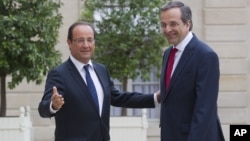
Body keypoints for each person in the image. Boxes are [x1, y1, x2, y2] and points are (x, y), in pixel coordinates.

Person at [38, 21, 160, 141]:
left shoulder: (101, 70)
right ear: (69, 43)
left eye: (90, 40)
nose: (86, 45)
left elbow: (118, 97)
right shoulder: (59, 74)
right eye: (80, 40)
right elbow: (43, 109)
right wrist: (53, 105)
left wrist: (155, 98)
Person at [159, 1, 225, 141]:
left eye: (173, 24)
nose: (167, 29)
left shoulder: (206, 56)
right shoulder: (168, 54)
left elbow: (205, 110)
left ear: (187, 24)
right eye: (163, 25)